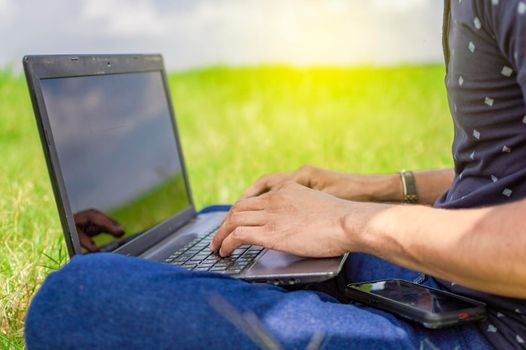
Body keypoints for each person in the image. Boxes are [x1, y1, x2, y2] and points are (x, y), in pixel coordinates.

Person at [25, 1, 526, 349]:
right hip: (461, 280)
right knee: (235, 221)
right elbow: (504, 172)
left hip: (491, 331)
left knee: (77, 296)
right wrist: (378, 188)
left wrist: (351, 222)